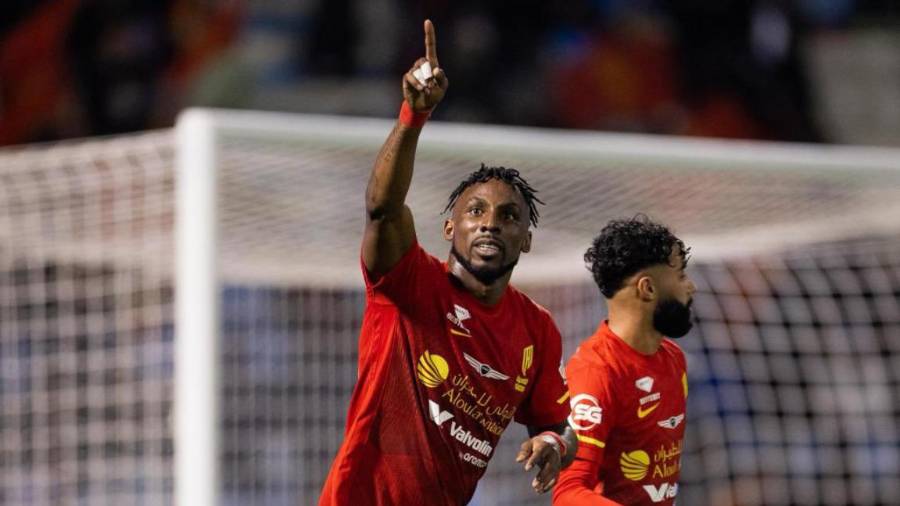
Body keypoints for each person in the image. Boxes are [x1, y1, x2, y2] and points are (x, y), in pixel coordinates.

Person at [319, 19, 575, 506]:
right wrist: (413, 116)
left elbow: (558, 424)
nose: (490, 223)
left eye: (508, 216)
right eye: (475, 211)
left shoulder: (537, 330)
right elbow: (382, 209)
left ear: (526, 241)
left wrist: (554, 443)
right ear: (449, 229)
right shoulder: (411, 282)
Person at [553, 216, 696, 506]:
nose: (691, 287)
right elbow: (567, 493)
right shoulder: (597, 373)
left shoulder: (674, 359)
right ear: (648, 289)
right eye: (681, 276)